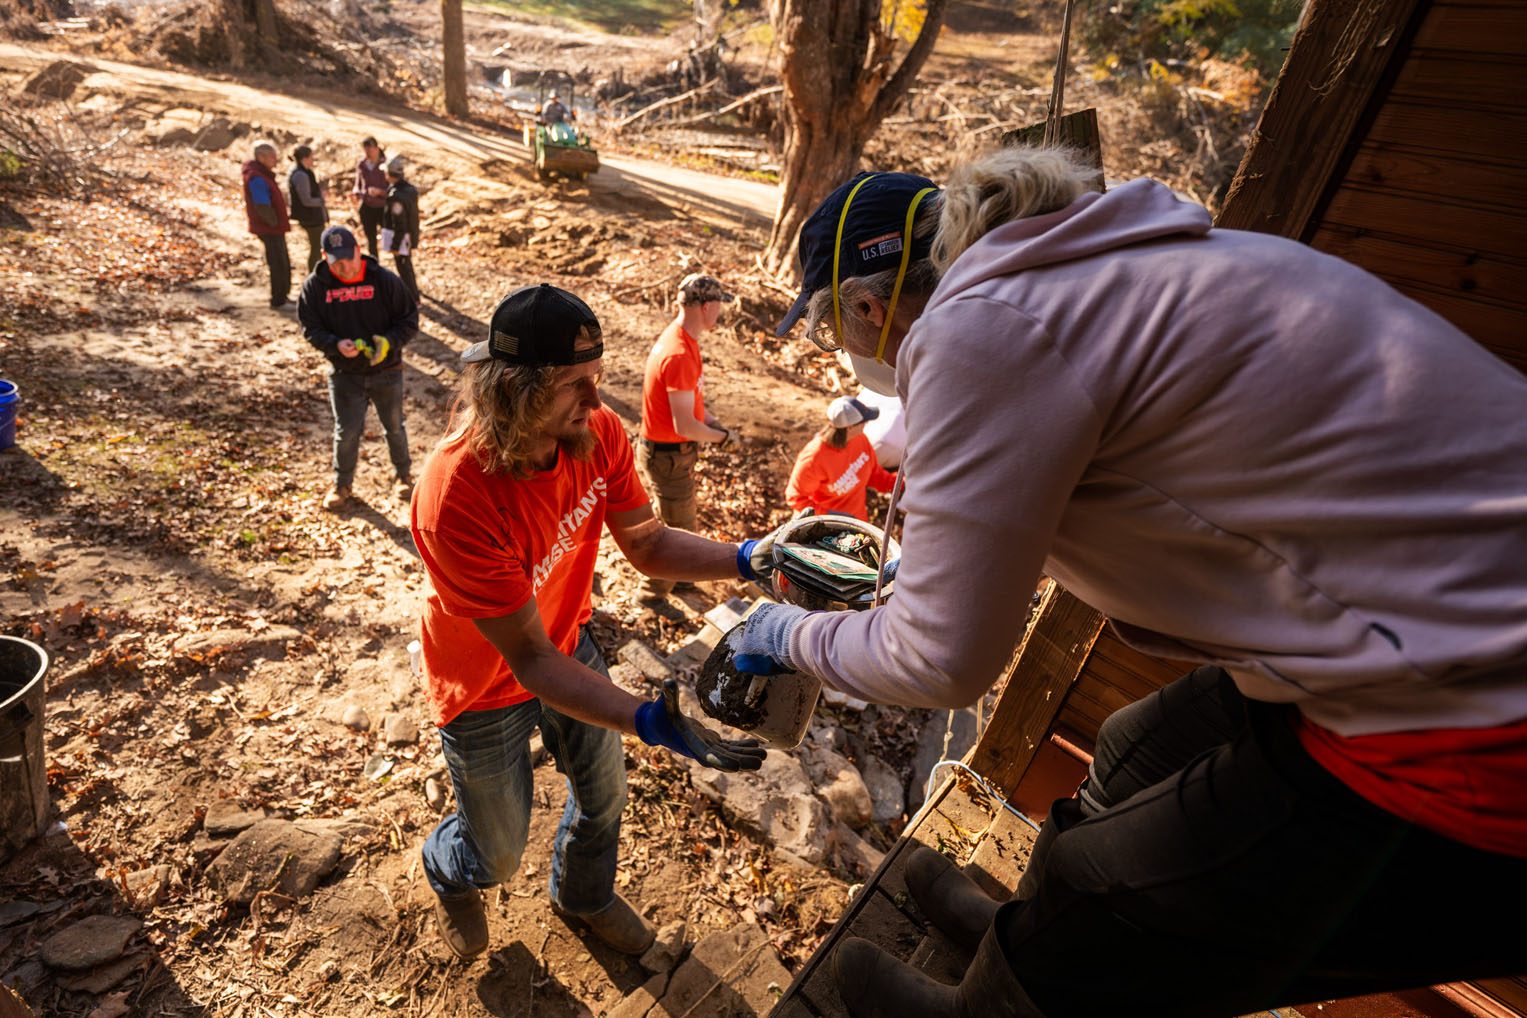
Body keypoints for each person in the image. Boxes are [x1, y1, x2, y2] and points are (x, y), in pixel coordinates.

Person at [724, 153, 1527, 1017]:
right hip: (1417, 621)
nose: (839, 350)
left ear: (869, 309)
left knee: (1107, 887)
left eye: (827, 328)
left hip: (1469, 721)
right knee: (1137, 747)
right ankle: (1023, 934)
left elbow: (939, 660)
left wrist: (780, 636)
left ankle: (1014, 987)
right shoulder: (1101, 265)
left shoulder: (982, 327)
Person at [409, 283, 768, 962]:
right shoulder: (455, 494)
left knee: (604, 796)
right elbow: (531, 663)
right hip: (484, 682)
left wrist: (753, 558)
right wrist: (645, 718)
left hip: (567, 643)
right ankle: (448, 869)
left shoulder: (594, 432)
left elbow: (649, 544)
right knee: (498, 853)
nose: (599, 403)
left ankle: (583, 895)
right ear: (514, 390)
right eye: (576, 386)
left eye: (597, 380)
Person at [297, 225, 417, 510]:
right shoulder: (315, 287)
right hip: (345, 375)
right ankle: (342, 484)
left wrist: (388, 342)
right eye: (336, 260)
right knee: (346, 431)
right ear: (324, 256)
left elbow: (409, 320)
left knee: (394, 427)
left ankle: (403, 476)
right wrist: (334, 344)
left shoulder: (384, 280)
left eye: (349, 258)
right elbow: (309, 327)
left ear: (358, 250)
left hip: (387, 371)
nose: (345, 266)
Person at [636, 273, 736, 599]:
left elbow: (692, 405)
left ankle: (680, 580)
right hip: (667, 455)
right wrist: (720, 439)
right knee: (674, 532)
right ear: (706, 306)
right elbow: (684, 426)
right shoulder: (678, 353)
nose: (720, 312)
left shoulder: (685, 340)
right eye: (719, 305)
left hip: (670, 453)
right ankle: (652, 594)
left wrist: (715, 423)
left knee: (679, 522)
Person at [785, 395, 898, 520]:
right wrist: (830, 516)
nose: (866, 424)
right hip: (826, 528)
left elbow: (873, 473)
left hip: (858, 519)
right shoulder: (814, 458)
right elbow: (795, 497)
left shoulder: (860, 440)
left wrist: (898, 485)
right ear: (849, 427)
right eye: (863, 422)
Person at [241, 139, 291, 309]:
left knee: (283, 261)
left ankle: (283, 295)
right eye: (272, 157)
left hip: (273, 227)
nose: (275, 160)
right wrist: (274, 222)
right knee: (277, 263)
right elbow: (262, 204)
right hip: (269, 228)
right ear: (261, 157)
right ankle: (278, 300)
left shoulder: (263, 174)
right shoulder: (256, 177)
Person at [379, 155, 420, 300]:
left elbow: (399, 224)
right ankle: (412, 293)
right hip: (410, 234)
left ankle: (412, 296)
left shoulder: (396, 196)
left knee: (404, 267)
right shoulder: (410, 190)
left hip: (402, 238)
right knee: (407, 265)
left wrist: (395, 244)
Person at [288, 144, 329, 272]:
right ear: (304, 159)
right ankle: (314, 275)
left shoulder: (306, 172)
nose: (313, 160)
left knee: (318, 248)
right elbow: (306, 200)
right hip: (310, 218)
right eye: (311, 157)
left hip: (314, 216)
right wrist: (321, 200)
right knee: (316, 249)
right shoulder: (301, 175)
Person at [351, 136, 388, 259]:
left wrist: (381, 192)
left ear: (377, 149)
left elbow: (393, 186)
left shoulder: (386, 164)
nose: (368, 153)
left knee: (389, 236)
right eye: (365, 150)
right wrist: (356, 192)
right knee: (370, 238)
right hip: (367, 204)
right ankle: (374, 263)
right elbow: (358, 184)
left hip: (383, 206)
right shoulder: (362, 164)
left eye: (370, 150)